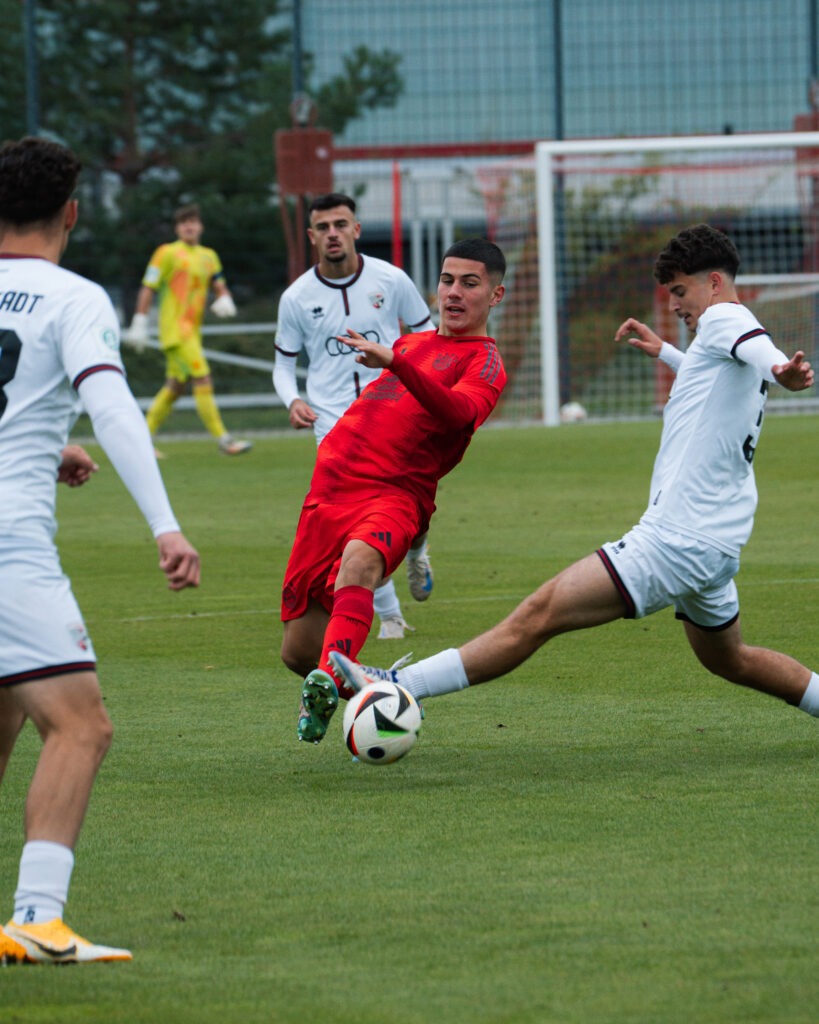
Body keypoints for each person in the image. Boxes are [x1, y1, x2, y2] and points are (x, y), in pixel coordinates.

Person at [329, 223, 819, 729]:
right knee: (730, 658)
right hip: (715, 539)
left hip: (677, 540)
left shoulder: (725, 318)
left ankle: (395, 684)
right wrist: (669, 354)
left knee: (538, 614)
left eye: (679, 291)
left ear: (714, 283)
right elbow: (726, 367)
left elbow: (755, 347)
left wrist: (783, 368)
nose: (674, 305)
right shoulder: (719, 341)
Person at [0, 137, 201, 965]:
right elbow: (114, 409)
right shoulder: (73, 297)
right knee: (81, 725)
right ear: (71, 213)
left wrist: (46, 448)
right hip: (8, 542)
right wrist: (164, 522)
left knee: (6, 715)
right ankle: (38, 921)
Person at [281, 236, 508, 743]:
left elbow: (457, 413)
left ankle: (344, 683)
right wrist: (395, 359)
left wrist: (395, 364)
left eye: (470, 283)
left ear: (495, 296)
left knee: (359, 562)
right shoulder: (410, 344)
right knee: (297, 652)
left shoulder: (484, 364)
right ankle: (380, 701)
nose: (453, 292)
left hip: (394, 494)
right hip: (327, 493)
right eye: (447, 280)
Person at [274, 193, 435, 640]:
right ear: (311, 236)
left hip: (394, 415)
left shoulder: (391, 279)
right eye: (323, 227)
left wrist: (414, 378)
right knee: (354, 522)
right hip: (333, 424)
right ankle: (391, 617)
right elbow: (283, 364)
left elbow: (427, 337)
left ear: (356, 230)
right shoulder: (297, 298)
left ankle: (418, 548)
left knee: (410, 510)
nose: (332, 234)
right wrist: (292, 400)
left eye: (340, 224)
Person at [126, 202, 252, 456]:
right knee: (203, 377)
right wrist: (139, 320)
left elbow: (219, 284)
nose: (189, 226)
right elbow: (148, 286)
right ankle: (224, 440)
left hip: (192, 331)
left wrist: (225, 297)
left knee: (174, 387)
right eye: (184, 223)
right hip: (176, 330)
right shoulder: (166, 253)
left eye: (193, 222)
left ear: (200, 226)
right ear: (177, 229)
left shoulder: (209, 256)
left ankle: (141, 440)